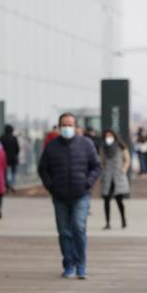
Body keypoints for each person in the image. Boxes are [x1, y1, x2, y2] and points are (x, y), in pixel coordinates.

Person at [38, 113, 101, 279]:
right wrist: (50, 185)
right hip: (59, 195)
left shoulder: (86, 144)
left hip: (81, 194)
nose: (67, 128)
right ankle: (69, 264)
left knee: (78, 227)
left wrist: (88, 183)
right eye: (64, 125)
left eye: (70, 125)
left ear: (76, 127)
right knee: (64, 231)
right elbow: (43, 168)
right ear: (59, 127)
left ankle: (81, 264)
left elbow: (96, 166)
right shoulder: (52, 147)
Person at [100, 130, 130, 229]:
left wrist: (123, 170)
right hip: (108, 176)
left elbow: (127, 160)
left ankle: (123, 220)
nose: (108, 137)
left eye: (110, 135)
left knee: (119, 200)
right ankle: (107, 222)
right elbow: (102, 161)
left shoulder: (121, 147)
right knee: (106, 200)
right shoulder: (103, 148)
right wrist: (103, 170)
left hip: (118, 176)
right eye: (107, 136)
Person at [0, 124, 20, 192]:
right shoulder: (14, 138)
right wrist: (15, 154)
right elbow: (17, 149)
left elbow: (0, 148)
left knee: (5, 172)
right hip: (13, 158)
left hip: (4, 158)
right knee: (13, 172)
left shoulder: (1, 138)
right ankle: (12, 184)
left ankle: (7, 184)